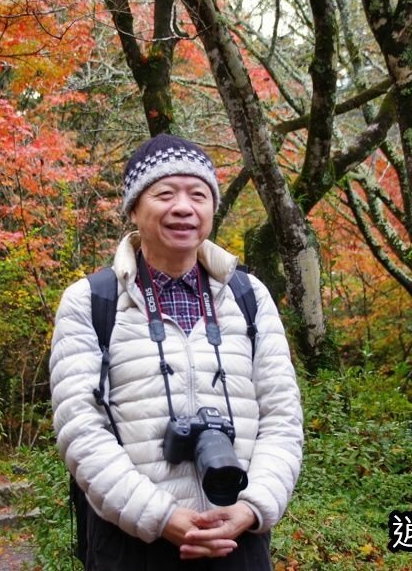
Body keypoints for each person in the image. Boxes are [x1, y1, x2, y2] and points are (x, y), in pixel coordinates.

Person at [50, 133, 303, 570]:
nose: (183, 207)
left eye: (198, 195)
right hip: (132, 544)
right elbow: (80, 428)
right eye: (164, 194)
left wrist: (252, 508)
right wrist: (161, 516)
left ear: (212, 209)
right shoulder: (92, 301)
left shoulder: (248, 296)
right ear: (134, 208)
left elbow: (282, 417)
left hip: (237, 540)